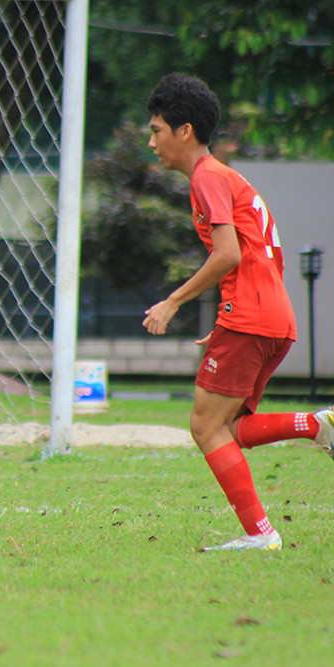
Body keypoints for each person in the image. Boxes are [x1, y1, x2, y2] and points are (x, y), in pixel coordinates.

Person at [142, 73, 334, 551]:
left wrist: (173, 301)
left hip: (251, 316)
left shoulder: (207, 177)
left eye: (157, 130)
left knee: (205, 426)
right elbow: (259, 258)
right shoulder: (228, 177)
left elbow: (228, 254)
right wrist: (231, 317)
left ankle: (260, 534)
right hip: (273, 317)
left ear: (185, 131)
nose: (151, 143)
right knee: (229, 428)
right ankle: (314, 425)